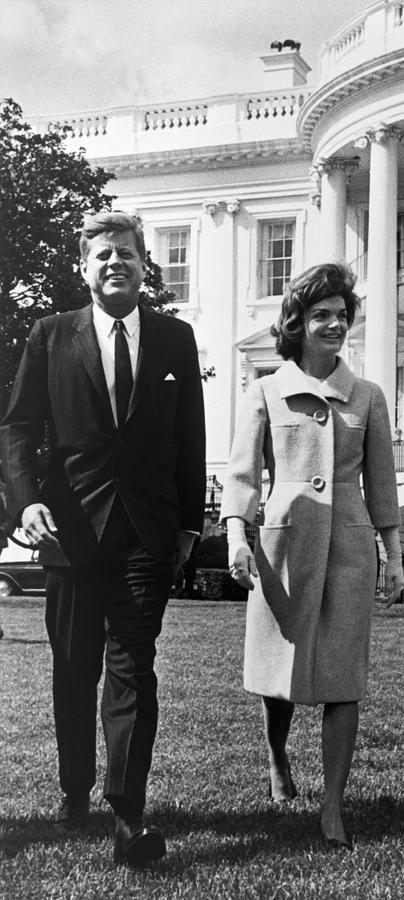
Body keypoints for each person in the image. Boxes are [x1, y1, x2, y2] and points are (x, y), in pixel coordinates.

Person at [0, 211, 206, 866]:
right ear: (83, 269)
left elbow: (188, 436)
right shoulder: (50, 336)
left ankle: (127, 815)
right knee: (73, 668)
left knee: (132, 667)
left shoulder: (176, 339)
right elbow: (16, 428)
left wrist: (189, 524)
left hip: (145, 532)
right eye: (102, 256)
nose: (114, 263)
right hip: (68, 531)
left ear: (145, 265)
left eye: (126, 254)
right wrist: (26, 502)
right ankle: (74, 791)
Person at [221, 262, 404, 851]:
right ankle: (277, 759)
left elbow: (383, 485)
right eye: (321, 315)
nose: (334, 325)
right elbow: (244, 474)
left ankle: (332, 807)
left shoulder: (368, 397)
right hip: (284, 549)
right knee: (281, 676)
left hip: (350, 549)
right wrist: (236, 537)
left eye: (341, 316)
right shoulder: (265, 390)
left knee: (343, 679)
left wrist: (394, 554)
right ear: (296, 323)